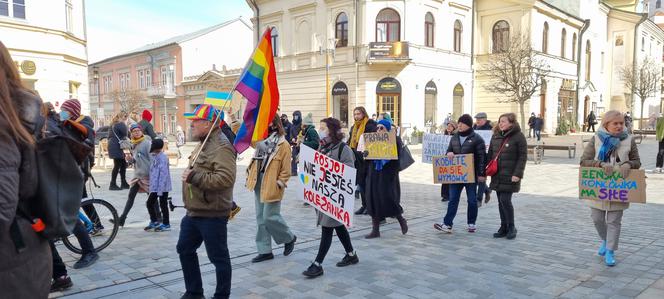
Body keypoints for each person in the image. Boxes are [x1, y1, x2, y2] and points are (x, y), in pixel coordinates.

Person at [0, 40, 52, 297]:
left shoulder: (5, 121)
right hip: (24, 252)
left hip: (13, 261)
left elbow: (2, 206)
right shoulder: (18, 116)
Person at [178, 104, 236, 299]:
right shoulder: (203, 141)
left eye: (196, 121)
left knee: (218, 258)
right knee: (184, 249)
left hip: (212, 213)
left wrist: (194, 177)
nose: (191, 125)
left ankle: (221, 295)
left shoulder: (221, 146)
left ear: (208, 123)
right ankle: (194, 292)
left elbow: (225, 178)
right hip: (194, 212)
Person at [580, 110, 641, 266]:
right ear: (606, 124)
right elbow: (584, 161)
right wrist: (599, 164)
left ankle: (610, 250)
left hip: (619, 188)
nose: (620, 126)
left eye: (621, 123)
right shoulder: (596, 139)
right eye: (616, 123)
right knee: (597, 219)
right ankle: (606, 240)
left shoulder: (629, 140)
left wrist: (628, 164)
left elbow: (636, 161)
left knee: (614, 221)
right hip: (599, 188)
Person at [302, 117, 359, 278]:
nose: (321, 131)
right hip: (323, 195)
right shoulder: (322, 147)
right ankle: (351, 254)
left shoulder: (343, 149)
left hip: (334, 197)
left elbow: (348, 173)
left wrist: (329, 171)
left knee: (327, 228)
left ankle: (317, 264)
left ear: (332, 131)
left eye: (324, 128)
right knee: (338, 226)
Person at [246, 115, 297, 263]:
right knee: (260, 218)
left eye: (266, 120)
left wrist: (280, 184)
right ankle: (265, 251)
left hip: (273, 183)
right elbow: (244, 135)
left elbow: (286, 170)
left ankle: (289, 237)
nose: (263, 124)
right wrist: (234, 119)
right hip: (258, 180)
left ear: (275, 124)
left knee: (270, 216)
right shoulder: (260, 141)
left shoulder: (283, 145)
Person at [434, 114, 486, 233]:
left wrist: (481, 174)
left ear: (468, 124)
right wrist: (449, 153)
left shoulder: (477, 139)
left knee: (472, 200)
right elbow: (449, 150)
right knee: (453, 199)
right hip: (456, 174)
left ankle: (471, 223)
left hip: (470, 174)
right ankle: (447, 224)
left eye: (462, 123)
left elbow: (482, 157)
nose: (460, 125)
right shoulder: (455, 137)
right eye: (459, 123)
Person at [364, 119, 409, 239]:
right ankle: (375, 230)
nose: (379, 130)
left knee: (388, 199)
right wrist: (366, 155)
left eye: (382, 128)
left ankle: (401, 219)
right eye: (377, 128)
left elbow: (397, 159)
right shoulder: (372, 140)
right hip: (374, 174)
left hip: (387, 175)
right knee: (373, 200)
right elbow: (368, 159)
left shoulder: (394, 140)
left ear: (387, 129)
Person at [487, 113, 527, 240]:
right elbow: (490, 154)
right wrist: (484, 168)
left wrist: (517, 174)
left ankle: (511, 227)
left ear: (511, 122)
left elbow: (522, 157)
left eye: (504, 121)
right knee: (500, 201)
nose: (501, 123)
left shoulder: (518, 136)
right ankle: (503, 226)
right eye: (500, 121)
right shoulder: (496, 136)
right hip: (497, 174)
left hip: (510, 175)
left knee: (505, 200)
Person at [114, 123, 152, 227]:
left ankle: (158, 218)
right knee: (131, 196)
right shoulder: (134, 144)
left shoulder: (147, 143)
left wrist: (153, 173)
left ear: (141, 131)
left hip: (146, 175)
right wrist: (130, 160)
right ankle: (122, 219)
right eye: (134, 131)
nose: (136, 132)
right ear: (132, 133)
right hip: (137, 175)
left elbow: (152, 159)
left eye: (138, 131)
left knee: (151, 198)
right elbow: (136, 159)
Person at [348, 106, 378, 215]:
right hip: (357, 159)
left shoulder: (370, 125)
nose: (356, 116)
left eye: (358, 114)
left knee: (368, 184)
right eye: (355, 114)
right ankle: (364, 205)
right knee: (361, 184)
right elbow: (350, 141)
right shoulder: (354, 127)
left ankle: (370, 206)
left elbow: (375, 140)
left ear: (363, 114)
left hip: (368, 159)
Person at [146, 139, 172, 232]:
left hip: (162, 187)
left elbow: (163, 175)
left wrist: (160, 190)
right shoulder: (155, 156)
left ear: (157, 149)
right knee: (149, 203)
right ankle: (154, 221)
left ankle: (166, 224)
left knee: (163, 204)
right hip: (155, 186)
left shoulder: (163, 158)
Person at [473, 112, 492, 206]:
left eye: (479, 119)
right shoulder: (474, 128)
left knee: (481, 178)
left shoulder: (490, 129)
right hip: (474, 156)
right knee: (475, 178)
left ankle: (478, 199)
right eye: (476, 119)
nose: (477, 121)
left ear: (484, 119)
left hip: (485, 156)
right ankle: (487, 190)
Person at [109, 111, 130, 190]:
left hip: (113, 146)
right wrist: (126, 125)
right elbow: (126, 134)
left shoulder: (113, 124)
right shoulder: (121, 124)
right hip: (117, 147)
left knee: (123, 164)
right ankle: (113, 184)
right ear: (124, 117)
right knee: (117, 165)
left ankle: (123, 182)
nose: (127, 119)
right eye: (126, 117)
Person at [440, 121, 458, 202]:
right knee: (445, 177)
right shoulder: (444, 136)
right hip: (444, 159)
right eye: (448, 126)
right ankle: (445, 195)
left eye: (451, 126)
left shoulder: (456, 136)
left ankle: (451, 194)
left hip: (452, 158)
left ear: (454, 127)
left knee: (451, 178)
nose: (449, 127)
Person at [290, 110, 303, 175]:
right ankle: (294, 171)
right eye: (294, 116)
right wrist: (292, 138)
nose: (295, 117)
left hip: (301, 143)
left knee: (302, 158)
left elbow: (303, 133)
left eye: (296, 116)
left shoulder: (302, 124)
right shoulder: (292, 124)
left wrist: (299, 138)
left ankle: (302, 171)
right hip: (294, 143)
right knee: (294, 156)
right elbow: (291, 132)